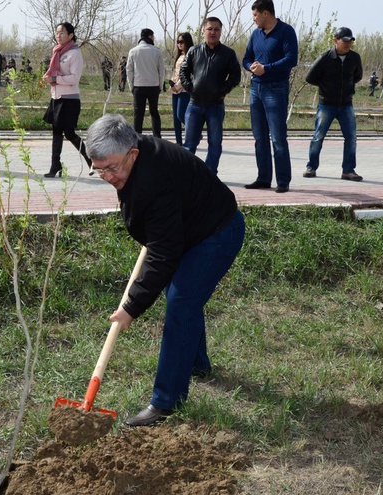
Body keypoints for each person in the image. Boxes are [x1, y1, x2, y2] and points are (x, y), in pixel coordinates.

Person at [84, 114, 245, 427]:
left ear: (133, 154)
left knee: (182, 301)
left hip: (217, 232)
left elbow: (164, 252)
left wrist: (131, 307)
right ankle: (195, 364)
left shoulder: (154, 179)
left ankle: (166, 401)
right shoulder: (128, 159)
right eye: (98, 169)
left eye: (112, 168)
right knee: (183, 296)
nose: (107, 176)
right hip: (189, 228)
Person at [241, 0, 298, 193]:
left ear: (266, 13)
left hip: (276, 88)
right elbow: (246, 58)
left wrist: (267, 69)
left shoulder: (286, 31)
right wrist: (252, 67)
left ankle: (283, 181)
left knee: (278, 138)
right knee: (259, 137)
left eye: (255, 15)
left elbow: (292, 58)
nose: (254, 19)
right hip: (256, 89)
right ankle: (263, 178)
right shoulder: (256, 34)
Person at [179, 16, 241, 173]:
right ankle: (186, 174)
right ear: (203, 31)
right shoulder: (194, 51)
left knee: (215, 142)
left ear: (220, 32)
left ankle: (209, 173)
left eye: (216, 29)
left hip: (215, 105)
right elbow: (183, 70)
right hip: (194, 104)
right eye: (210, 29)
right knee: (189, 144)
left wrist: (223, 90)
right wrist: (189, 87)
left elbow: (235, 76)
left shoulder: (228, 54)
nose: (213, 32)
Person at [303, 26, 364, 181]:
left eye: (350, 40)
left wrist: (348, 88)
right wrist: (326, 87)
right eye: (344, 40)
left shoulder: (354, 58)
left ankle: (348, 171)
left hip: (346, 105)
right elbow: (310, 77)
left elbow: (357, 76)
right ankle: (311, 167)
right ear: (335, 40)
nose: (347, 43)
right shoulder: (325, 57)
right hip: (327, 104)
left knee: (351, 138)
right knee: (318, 136)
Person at [41, 21, 93, 178]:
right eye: (57, 33)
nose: (58, 36)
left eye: (62, 33)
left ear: (70, 35)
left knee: (69, 133)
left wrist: (55, 78)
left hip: (69, 99)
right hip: (56, 97)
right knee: (56, 132)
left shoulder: (74, 53)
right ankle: (55, 165)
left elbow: (74, 78)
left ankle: (90, 160)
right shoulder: (57, 51)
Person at [126, 28, 165, 137]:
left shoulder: (133, 51)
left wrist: (131, 87)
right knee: (154, 113)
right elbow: (161, 71)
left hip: (138, 86)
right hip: (154, 86)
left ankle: (137, 138)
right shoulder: (157, 51)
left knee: (138, 114)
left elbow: (129, 70)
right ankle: (157, 137)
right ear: (150, 36)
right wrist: (160, 86)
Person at [169, 32, 193, 146]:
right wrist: (172, 85)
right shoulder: (179, 56)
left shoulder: (190, 56)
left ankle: (194, 131)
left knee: (180, 114)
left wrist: (177, 86)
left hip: (184, 90)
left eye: (181, 42)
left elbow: (187, 75)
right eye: (178, 42)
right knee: (175, 118)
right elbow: (176, 73)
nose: (179, 44)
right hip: (175, 90)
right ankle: (178, 141)